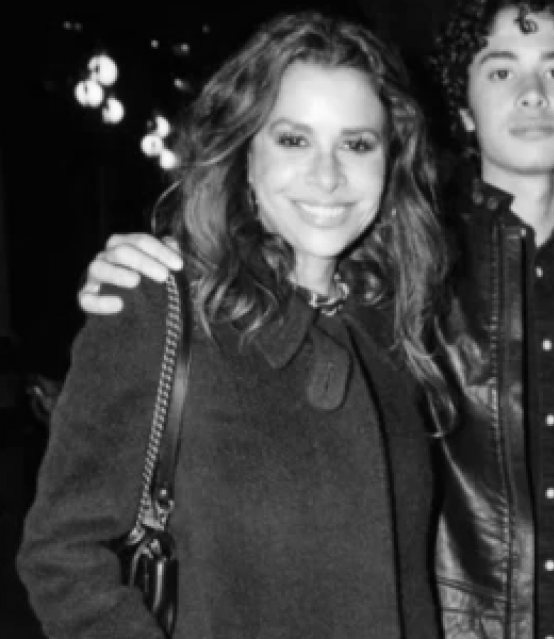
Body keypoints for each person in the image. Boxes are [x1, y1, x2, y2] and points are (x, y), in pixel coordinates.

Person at [74, 2, 554, 638]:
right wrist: (164, 276)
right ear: (462, 108)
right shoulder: (404, 270)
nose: (532, 94)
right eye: (501, 71)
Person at [19, 12, 450, 639]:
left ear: (391, 162)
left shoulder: (396, 330)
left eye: (357, 144)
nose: (327, 176)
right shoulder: (161, 308)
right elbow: (62, 556)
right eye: (294, 140)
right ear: (245, 155)